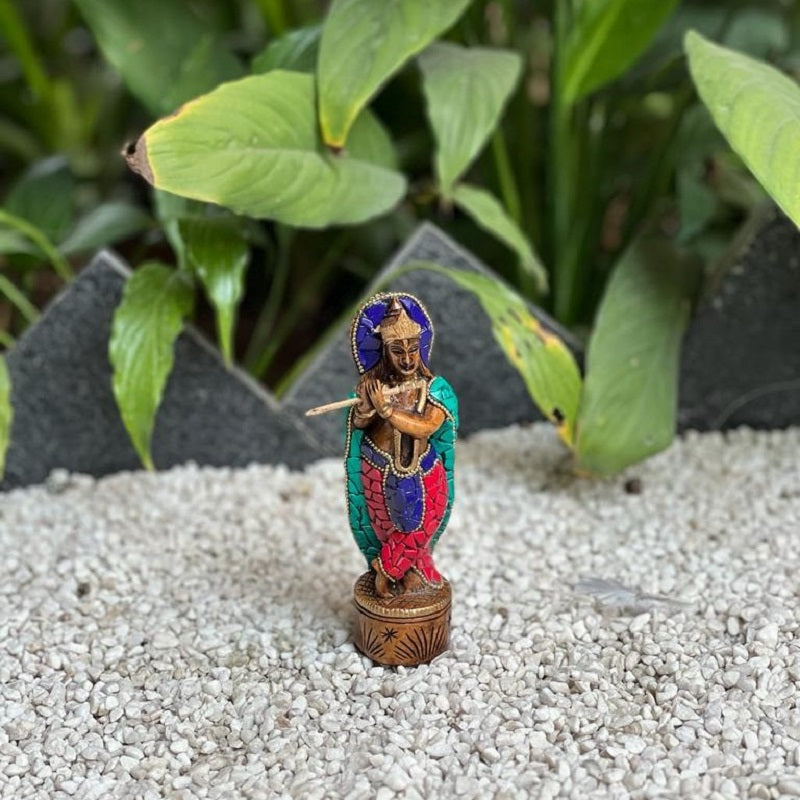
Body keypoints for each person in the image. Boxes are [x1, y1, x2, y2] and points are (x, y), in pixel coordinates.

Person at [345, 293, 458, 598]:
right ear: (384, 352)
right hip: (377, 469)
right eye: (397, 351)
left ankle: (388, 570)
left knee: (422, 525)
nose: (407, 360)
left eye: (412, 350)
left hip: (424, 469)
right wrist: (368, 406)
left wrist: (388, 411)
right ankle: (407, 573)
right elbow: (358, 422)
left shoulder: (435, 388)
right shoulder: (374, 385)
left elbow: (427, 426)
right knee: (388, 530)